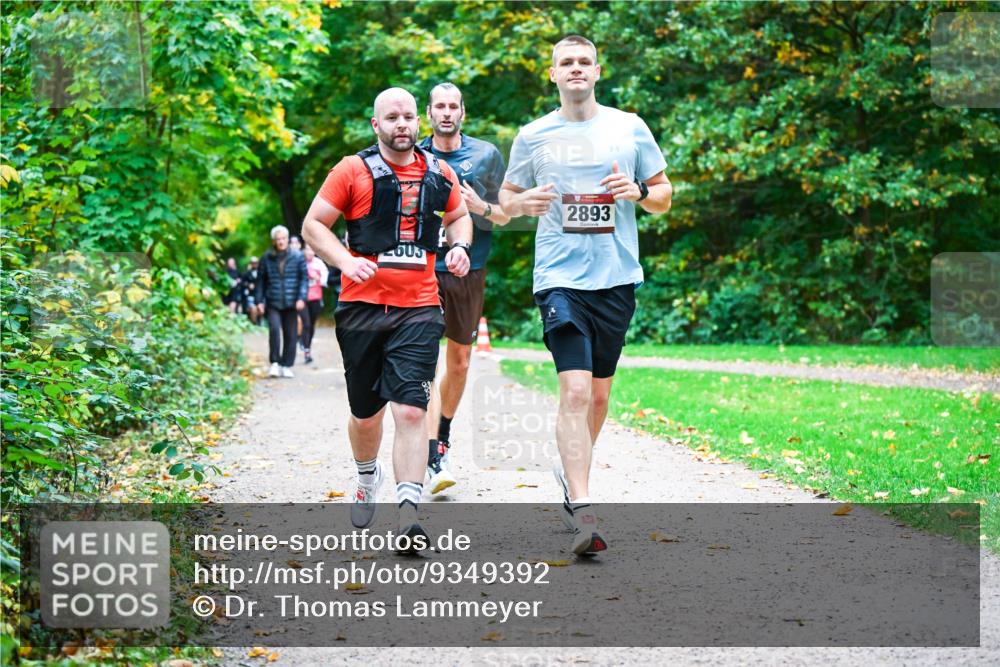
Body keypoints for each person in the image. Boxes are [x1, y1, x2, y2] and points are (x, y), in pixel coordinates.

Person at [499, 35, 673, 556]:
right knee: (574, 392)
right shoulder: (533, 135)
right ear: (551, 74)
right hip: (558, 278)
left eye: (583, 62)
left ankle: (571, 469)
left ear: (598, 70)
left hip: (616, 277)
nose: (575, 69)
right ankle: (584, 509)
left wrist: (640, 193)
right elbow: (506, 200)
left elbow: (664, 196)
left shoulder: (629, 126)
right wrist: (521, 203)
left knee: (598, 397)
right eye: (565, 63)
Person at [302, 87, 472, 548]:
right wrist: (343, 261)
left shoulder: (439, 172)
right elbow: (314, 225)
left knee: (412, 411)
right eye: (392, 117)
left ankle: (408, 515)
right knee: (365, 414)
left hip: (419, 307)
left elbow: (459, 218)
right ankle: (365, 475)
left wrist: (458, 247)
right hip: (361, 308)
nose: (402, 124)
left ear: (418, 122)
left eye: (409, 117)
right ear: (376, 124)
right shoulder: (351, 170)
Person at [417, 83, 510, 495]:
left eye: (453, 106)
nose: (447, 113)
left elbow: (509, 214)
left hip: (468, 270)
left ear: (463, 112)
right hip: (421, 267)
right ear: (429, 112)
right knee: (421, 358)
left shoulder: (486, 155)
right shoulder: (414, 154)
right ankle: (432, 451)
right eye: (440, 106)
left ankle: (443, 433)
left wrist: (480, 208)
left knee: (458, 365)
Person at [254, 225, 308, 378]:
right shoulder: (266, 258)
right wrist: (259, 301)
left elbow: (304, 279)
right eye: (278, 239)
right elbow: (260, 282)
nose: (281, 241)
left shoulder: (298, 256)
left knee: (291, 334)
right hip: (273, 302)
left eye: (283, 238)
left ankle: (286, 365)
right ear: (274, 241)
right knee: (274, 330)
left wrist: (301, 297)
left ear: (287, 239)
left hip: (292, 302)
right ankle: (275, 363)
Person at [300, 244, 329, 364]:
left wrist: (318, 278)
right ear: (304, 251)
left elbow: (324, 279)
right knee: (306, 324)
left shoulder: (319, 263)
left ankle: (307, 346)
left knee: (311, 325)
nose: (310, 252)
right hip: (302, 298)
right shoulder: (299, 262)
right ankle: (306, 351)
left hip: (315, 298)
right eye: (308, 250)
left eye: (312, 250)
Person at [242, 256, 261, 325]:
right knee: (253, 309)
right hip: (250, 295)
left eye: (256, 263)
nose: (254, 264)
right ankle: (254, 323)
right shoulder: (247, 273)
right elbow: (242, 283)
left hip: (259, 296)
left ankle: (259, 322)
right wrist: (248, 285)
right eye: (253, 263)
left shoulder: (261, 272)